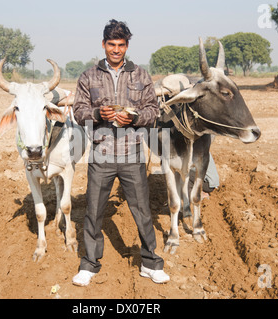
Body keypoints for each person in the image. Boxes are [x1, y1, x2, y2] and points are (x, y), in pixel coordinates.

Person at [72, 19, 170, 286]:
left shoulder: (140, 74)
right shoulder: (88, 76)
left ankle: (150, 263)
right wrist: (96, 113)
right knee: (94, 210)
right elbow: (78, 111)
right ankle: (89, 265)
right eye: (111, 45)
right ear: (103, 45)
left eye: (121, 45)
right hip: (101, 153)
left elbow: (153, 111)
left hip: (132, 152)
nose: (116, 50)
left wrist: (135, 119)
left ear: (127, 46)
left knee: (142, 210)